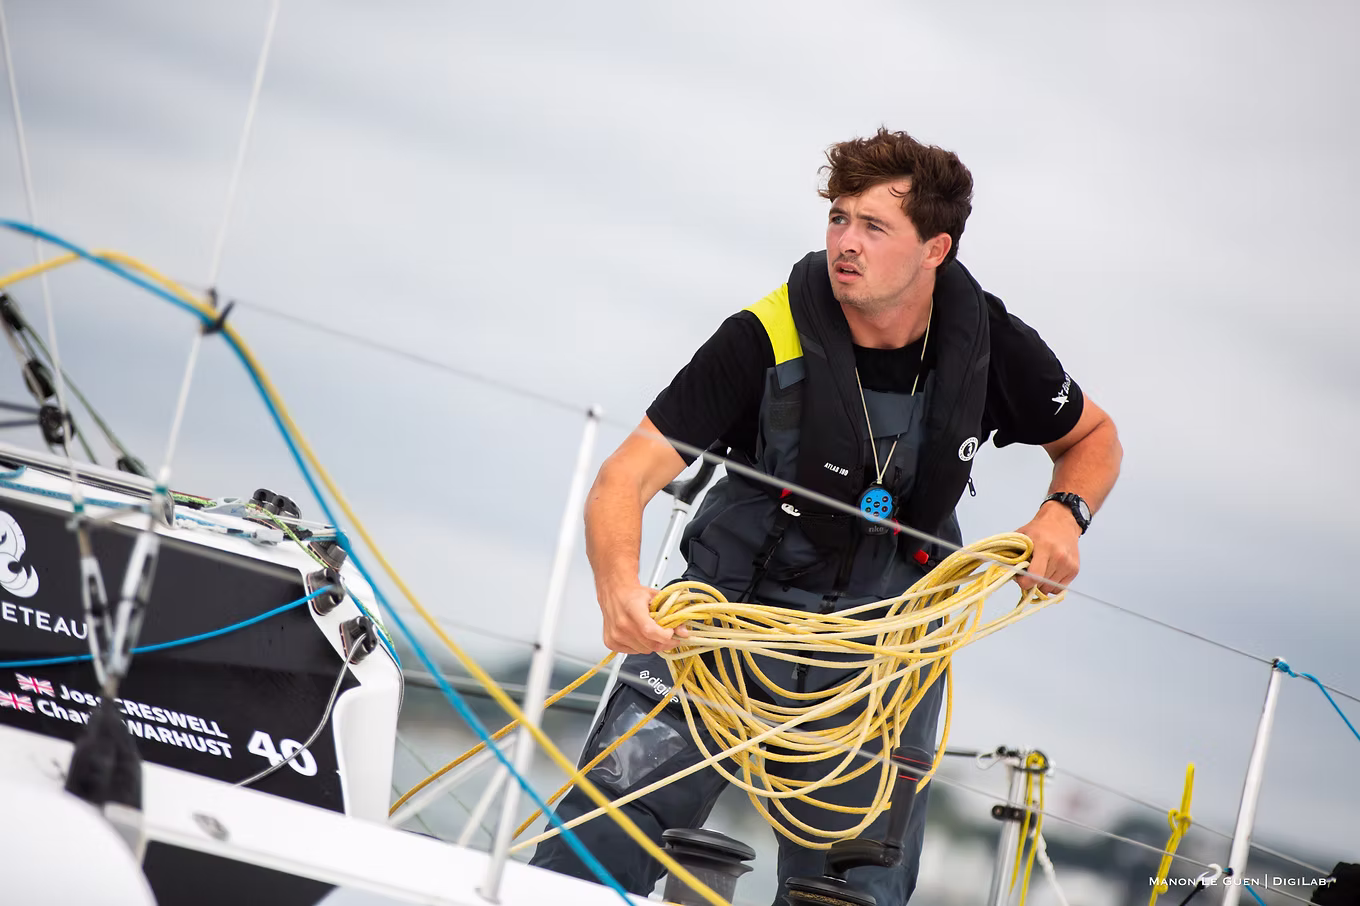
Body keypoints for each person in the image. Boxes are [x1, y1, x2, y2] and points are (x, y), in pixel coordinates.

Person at [530, 128, 1123, 904]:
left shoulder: (993, 346)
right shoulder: (763, 336)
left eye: (873, 227)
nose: (846, 242)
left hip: (879, 664)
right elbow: (625, 476)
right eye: (839, 219)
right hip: (719, 635)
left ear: (934, 248)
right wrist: (618, 589)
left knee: (855, 894)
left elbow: (1092, 438)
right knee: (595, 846)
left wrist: (1063, 517)